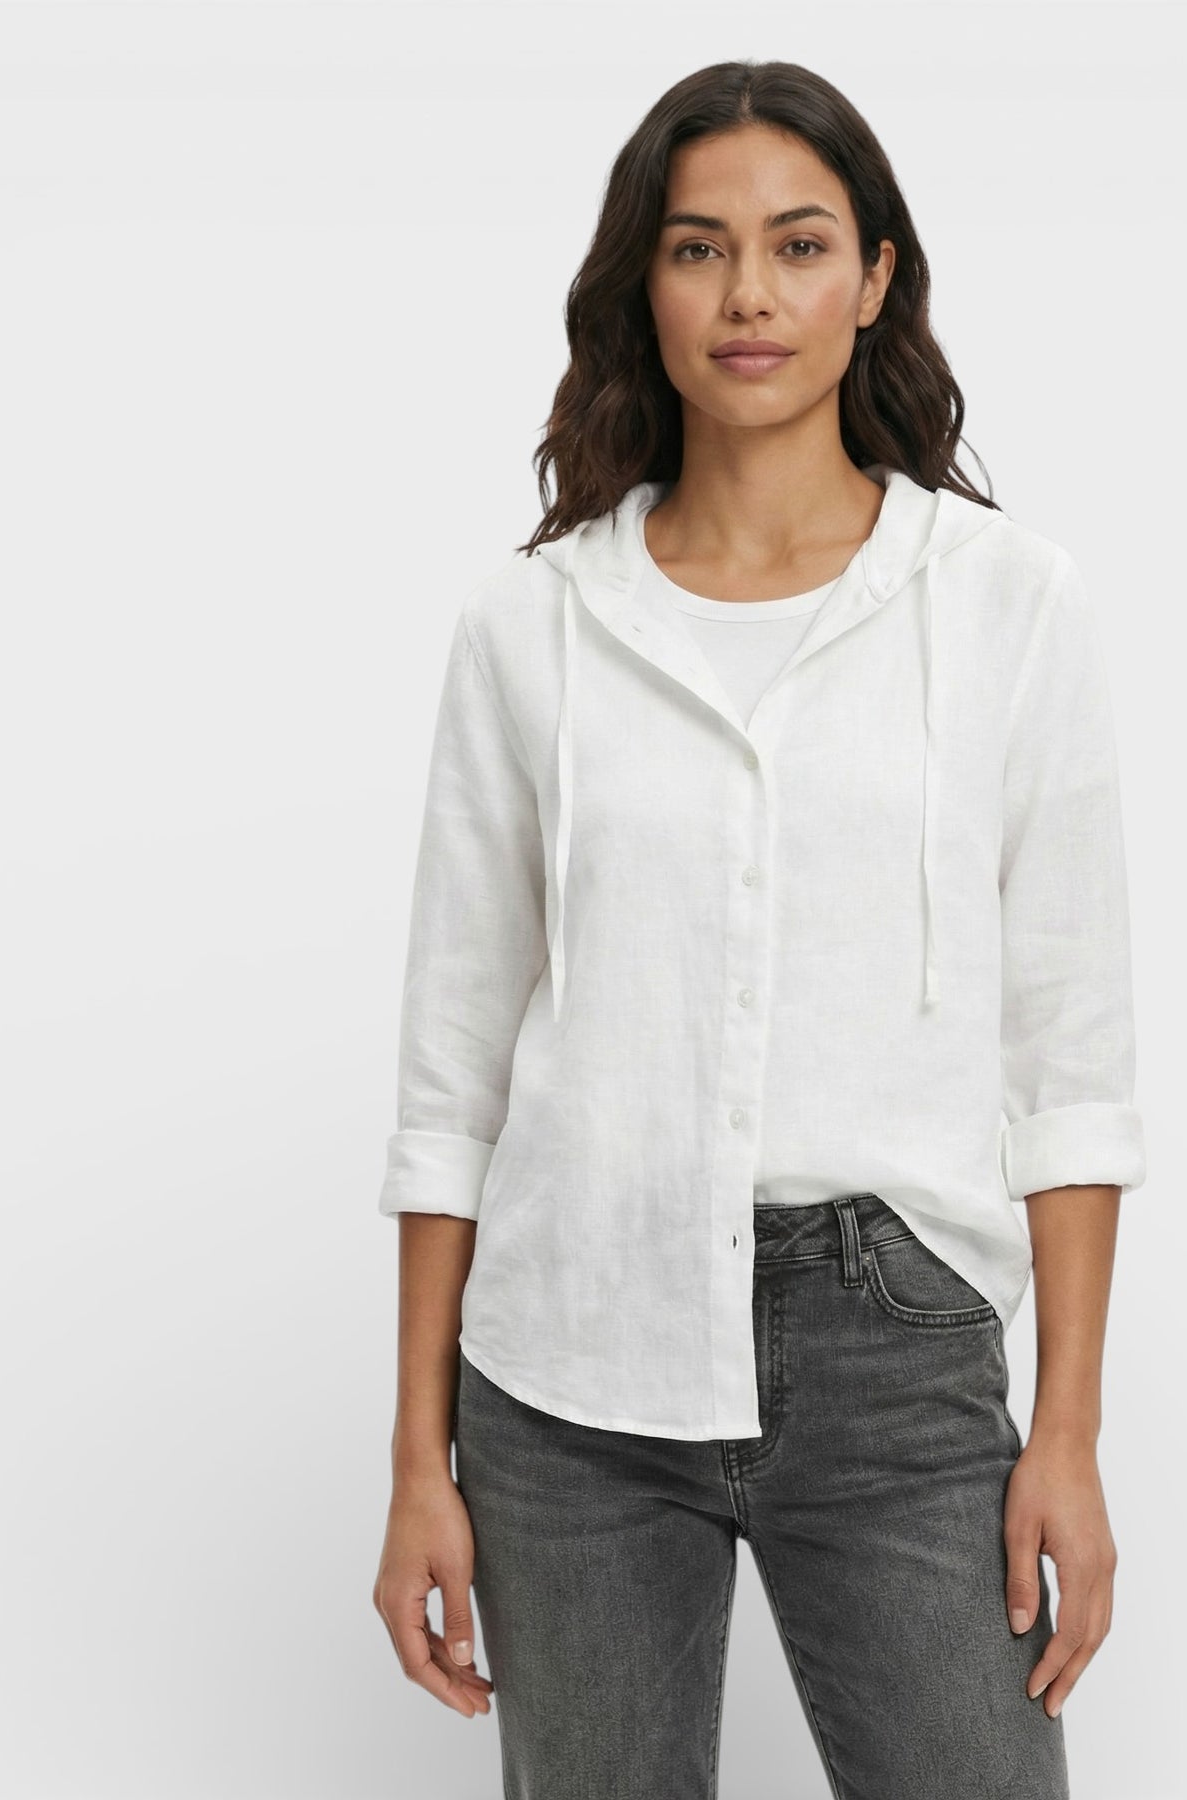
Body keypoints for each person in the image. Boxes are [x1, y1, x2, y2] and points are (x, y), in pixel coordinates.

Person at [370, 58, 1147, 1800]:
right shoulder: (531, 628)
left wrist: (1070, 1435)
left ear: (874, 280)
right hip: (570, 1360)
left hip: (896, 1350)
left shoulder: (1007, 607)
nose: (748, 295)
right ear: (642, 286)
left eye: (799, 246)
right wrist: (420, 1461)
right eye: (698, 248)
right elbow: (450, 1083)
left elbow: (1073, 1063)